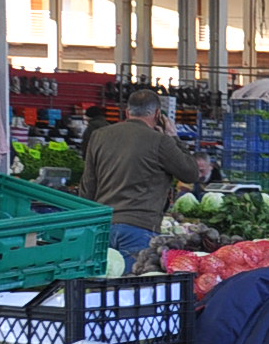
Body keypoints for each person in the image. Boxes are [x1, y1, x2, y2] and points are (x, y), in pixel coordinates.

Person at [80, 88, 198, 258]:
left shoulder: (99, 136)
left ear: (127, 112)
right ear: (158, 114)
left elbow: (88, 184)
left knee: (103, 274)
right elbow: (191, 173)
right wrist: (174, 137)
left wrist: (89, 224)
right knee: (133, 275)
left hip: (103, 225)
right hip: (140, 227)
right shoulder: (160, 141)